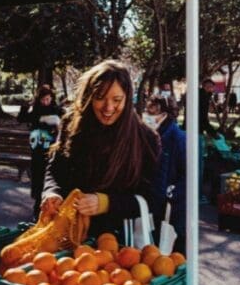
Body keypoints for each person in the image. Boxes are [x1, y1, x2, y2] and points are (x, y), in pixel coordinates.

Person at [41, 60, 161, 238]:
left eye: (117, 100)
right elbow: (55, 170)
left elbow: (152, 199)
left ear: (127, 99)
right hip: (66, 234)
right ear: (89, 97)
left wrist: (106, 203)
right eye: (100, 98)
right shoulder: (71, 124)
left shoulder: (146, 139)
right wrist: (52, 192)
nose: (108, 107)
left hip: (117, 245)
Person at [144, 94, 186, 253]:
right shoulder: (149, 137)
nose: (148, 117)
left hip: (173, 209)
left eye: (152, 113)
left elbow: (187, 177)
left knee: (172, 252)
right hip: (153, 204)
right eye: (147, 112)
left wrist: (172, 194)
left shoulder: (179, 139)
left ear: (164, 115)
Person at [19, 84, 64, 217]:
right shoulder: (36, 110)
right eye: (43, 99)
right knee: (38, 177)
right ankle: (37, 207)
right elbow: (22, 119)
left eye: (48, 99)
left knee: (50, 176)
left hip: (51, 149)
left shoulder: (56, 110)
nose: (46, 102)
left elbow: (63, 122)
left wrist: (56, 121)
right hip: (38, 150)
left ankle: (50, 205)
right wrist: (25, 107)